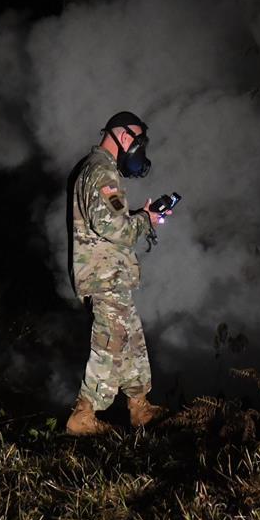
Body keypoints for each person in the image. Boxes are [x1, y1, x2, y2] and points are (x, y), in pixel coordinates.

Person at [66, 110, 171, 435]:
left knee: (131, 341)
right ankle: (83, 415)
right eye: (137, 141)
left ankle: (140, 407)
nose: (139, 149)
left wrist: (141, 216)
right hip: (103, 277)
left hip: (111, 275)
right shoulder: (100, 173)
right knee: (110, 343)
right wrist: (145, 220)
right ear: (124, 137)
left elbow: (110, 224)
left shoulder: (99, 170)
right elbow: (118, 230)